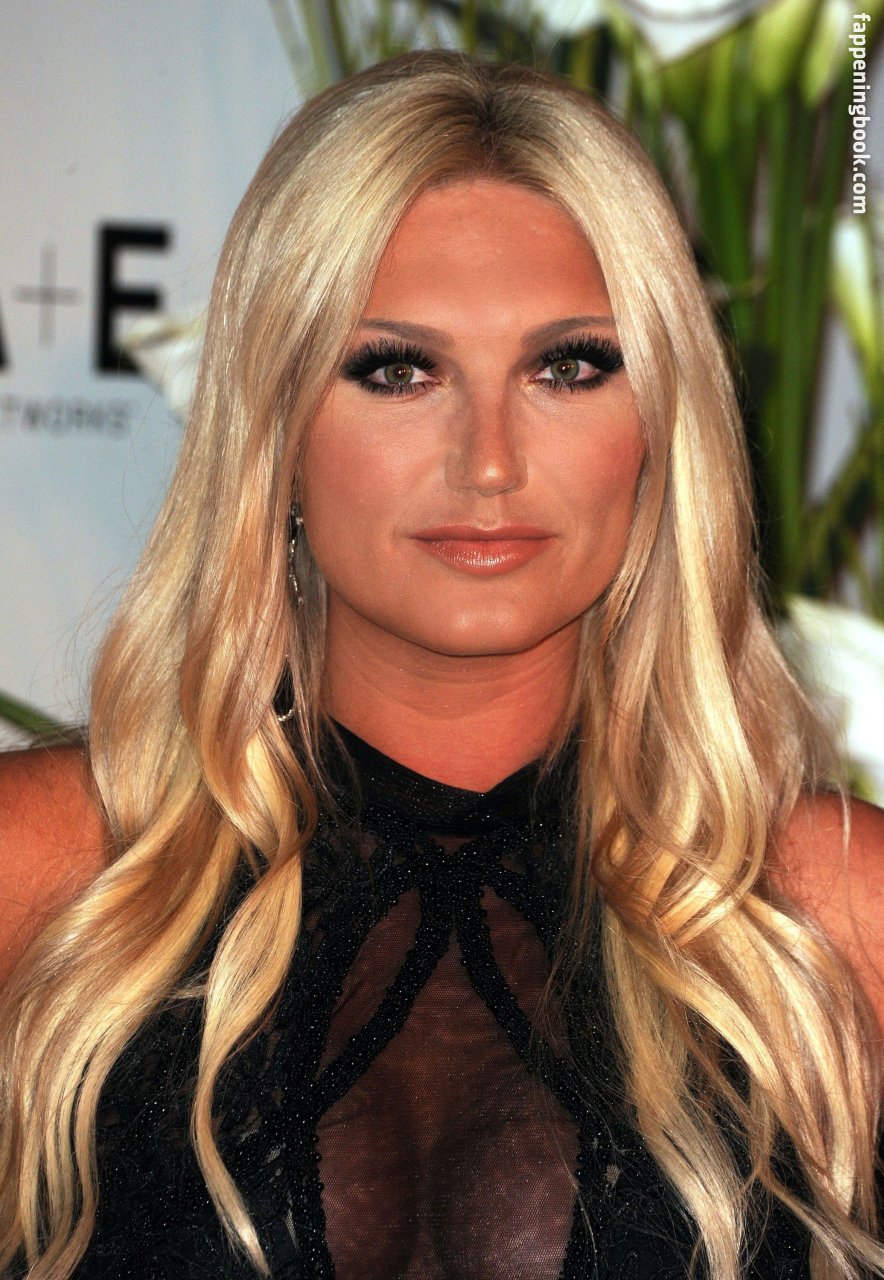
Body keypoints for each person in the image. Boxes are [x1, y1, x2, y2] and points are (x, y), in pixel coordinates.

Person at [0, 48, 881, 1280]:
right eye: (396, 369)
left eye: (567, 366)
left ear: (658, 427)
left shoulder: (833, 913)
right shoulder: (47, 876)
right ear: (271, 424)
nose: (489, 460)